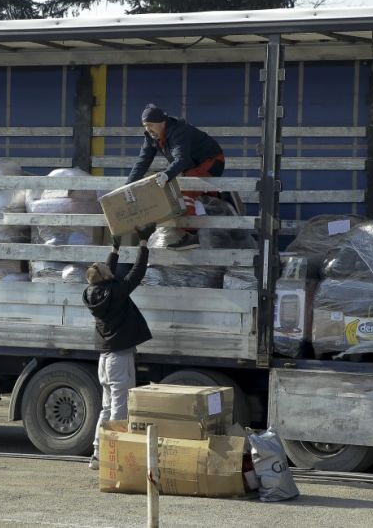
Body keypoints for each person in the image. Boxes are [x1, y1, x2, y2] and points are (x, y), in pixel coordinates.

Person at [83, 224, 156, 470]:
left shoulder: (94, 292)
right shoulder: (116, 292)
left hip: (104, 360)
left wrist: (115, 247)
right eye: (107, 269)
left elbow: (107, 270)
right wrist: (144, 243)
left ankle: (97, 454)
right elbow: (137, 272)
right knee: (119, 407)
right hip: (118, 358)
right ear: (106, 278)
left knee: (106, 407)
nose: (109, 269)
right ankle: (112, 455)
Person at [126, 103, 225, 250]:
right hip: (192, 165)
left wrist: (166, 175)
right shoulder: (151, 137)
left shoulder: (179, 131)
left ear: (162, 122)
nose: (148, 129)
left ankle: (192, 235)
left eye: (151, 124)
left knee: (183, 188)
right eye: (145, 125)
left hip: (212, 160)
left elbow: (182, 159)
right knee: (180, 187)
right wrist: (127, 186)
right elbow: (142, 162)